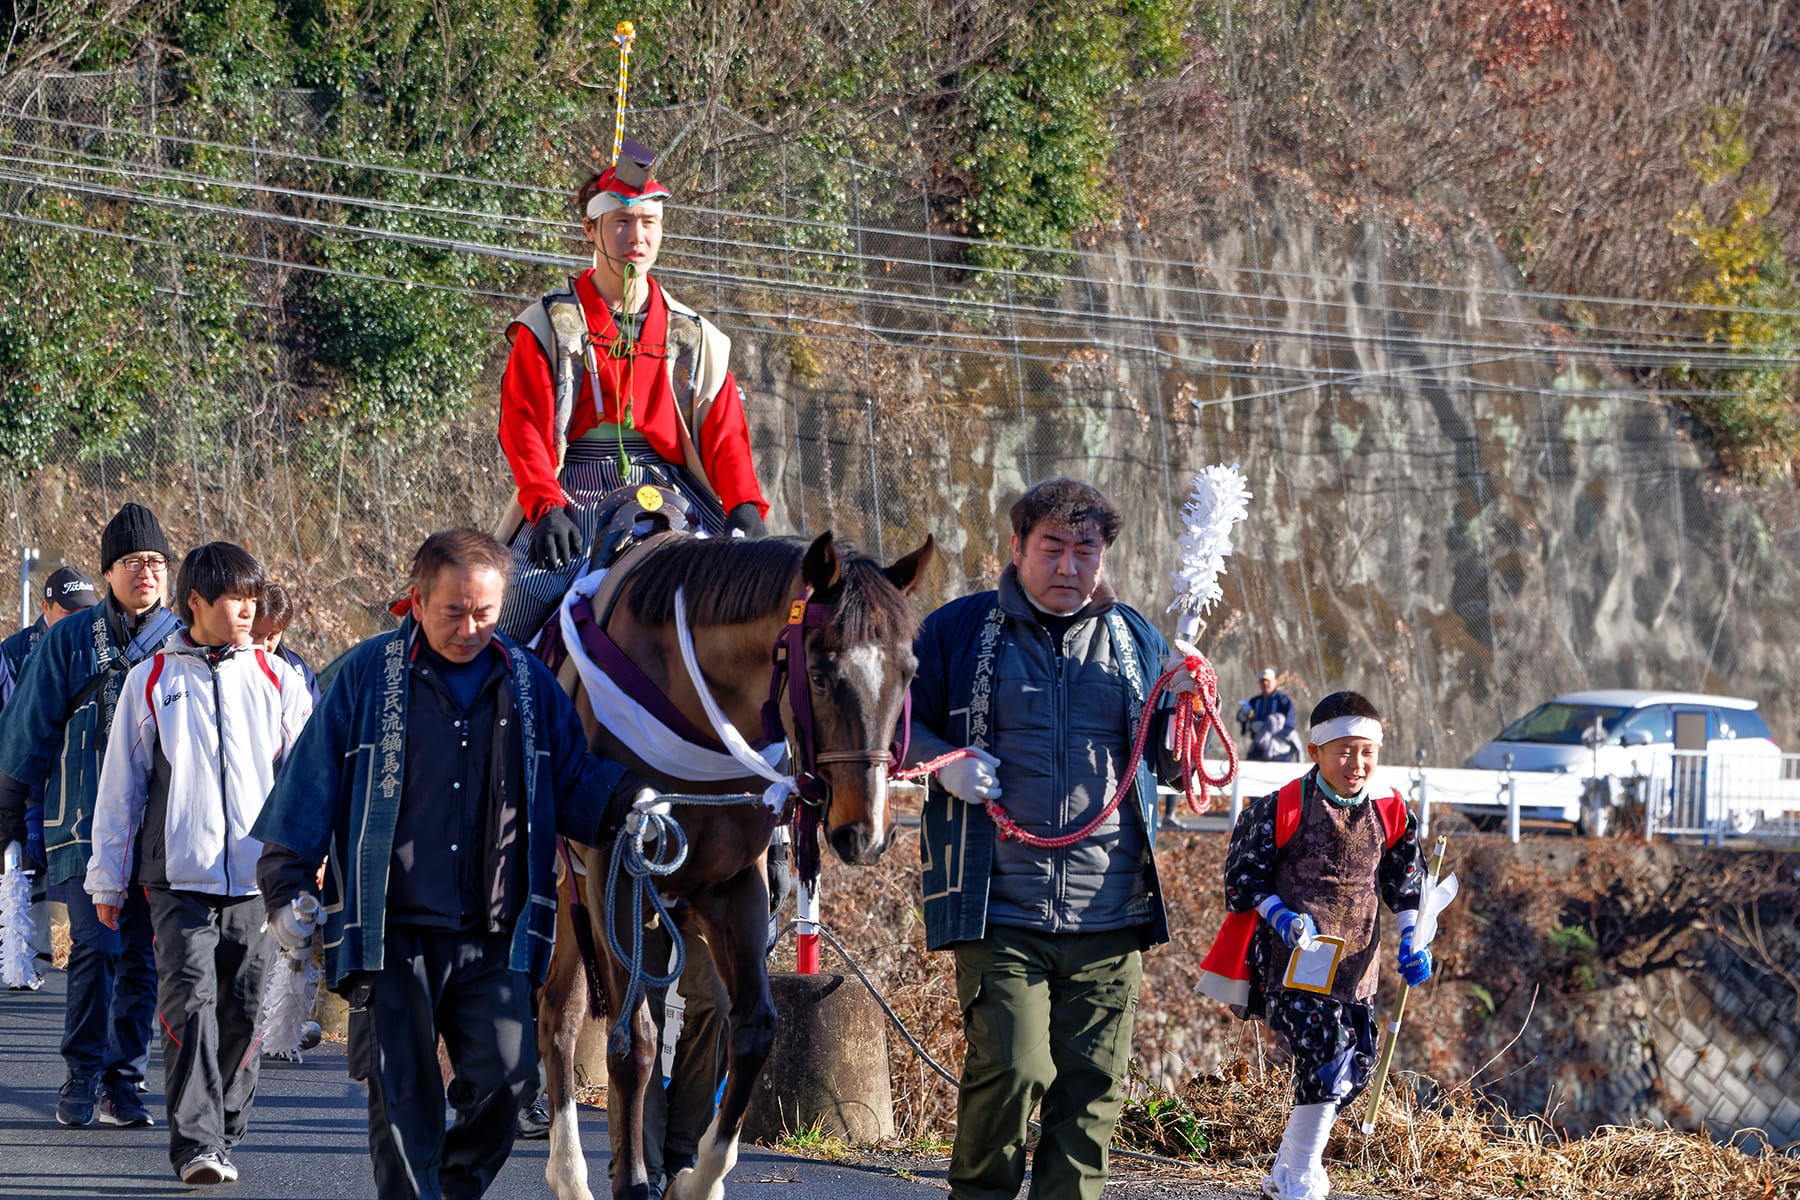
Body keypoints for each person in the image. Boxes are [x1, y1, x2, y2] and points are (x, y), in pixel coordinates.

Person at [251, 528, 642, 1200]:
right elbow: (307, 784)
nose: (469, 628)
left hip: (493, 933)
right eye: (453, 612)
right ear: (417, 601)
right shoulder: (365, 678)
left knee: (509, 1083)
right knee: (404, 1106)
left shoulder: (529, 684)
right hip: (389, 933)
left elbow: (573, 783)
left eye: (485, 614)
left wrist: (637, 804)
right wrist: (287, 884)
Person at [905, 477, 1203, 1200]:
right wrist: (943, 767)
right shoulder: (955, 630)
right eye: (1053, 548)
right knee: (1012, 1067)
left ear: (1104, 556)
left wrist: (1185, 705)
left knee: (1092, 1092)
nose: (1069, 566)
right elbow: (887, 720)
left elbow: (1167, 759)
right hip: (997, 901)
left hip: (1110, 908)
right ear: (1016, 547)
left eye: (1086, 550)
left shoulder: (1139, 640)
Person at [85, 542, 313, 1185]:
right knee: (189, 1004)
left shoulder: (279, 680)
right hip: (176, 880)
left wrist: (310, 861)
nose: (250, 609)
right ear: (196, 603)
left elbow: (309, 780)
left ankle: (225, 1123)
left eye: (253, 596)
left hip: (257, 882)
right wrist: (108, 876)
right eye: (235, 598)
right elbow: (120, 786)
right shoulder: (152, 679)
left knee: (243, 1008)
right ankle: (195, 1145)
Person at [495, 139, 769, 639]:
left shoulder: (695, 335)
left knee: (756, 601)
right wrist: (546, 505)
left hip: (674, 488)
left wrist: (743, 503)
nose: (635, 237)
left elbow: (724, 430)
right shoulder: (549, 325)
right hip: (573, 486)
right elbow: (524, 427)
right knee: (509, 600)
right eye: (621, 223)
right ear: (591, 230)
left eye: (648, 223)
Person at [1196, 691, 1431, 1200]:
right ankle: (1303, 1173)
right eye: (1345, 750)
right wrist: (1278, 915)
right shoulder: (1280, 806)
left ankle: (1284, 1172)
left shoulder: (1391, 811)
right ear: (1315, 750)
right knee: (1328, 1050)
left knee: (1355, 1068)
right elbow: (1242, 879)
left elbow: (1406, 881)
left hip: (1356, 966)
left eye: (1367, 751)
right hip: (1291, 961)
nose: (1357, 763)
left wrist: (1414, 934)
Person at [0, 504, 183, 1128]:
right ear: (108, 571)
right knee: (97, 946)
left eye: (157, 561)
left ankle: (121, 1080)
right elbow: (28, 729)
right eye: (133, 562)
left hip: (156, 832)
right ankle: (81, 1071)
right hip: (79, 823)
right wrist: (8, 812)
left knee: (142, 956)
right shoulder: (71, 640)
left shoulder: (184, 641)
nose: (147, 572)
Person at [0, 564, 101, 985]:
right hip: (26, 773)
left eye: (85, 609)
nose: (78, 618)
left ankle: (39, 960)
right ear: (45, 607)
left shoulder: (99, 641)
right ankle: (20, 958)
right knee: (19, 867)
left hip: (75, 777)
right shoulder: (17, 650)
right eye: (67, 610)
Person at [250, 580, 320, 700]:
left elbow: (315, 716)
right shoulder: (223, 662)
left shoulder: (298, 672)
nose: (264, 645)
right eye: (256, 635)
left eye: (272, 637)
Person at [1239, 666, 1301, 762]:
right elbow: (1244, 720)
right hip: (1259, 745)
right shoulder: (1255, 701)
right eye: (1262, 681)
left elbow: (1290, 720)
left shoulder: (1283, 700)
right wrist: (1244, 716)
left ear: (1275, 682)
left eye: (1268, 681)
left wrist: (1275, 733)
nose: (1265, 683)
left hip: (1279, 747)